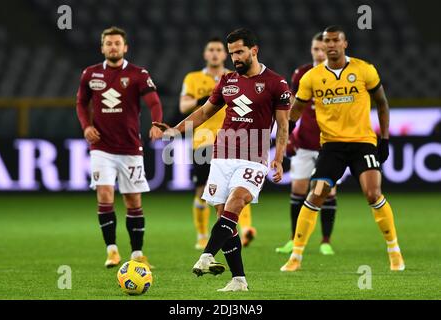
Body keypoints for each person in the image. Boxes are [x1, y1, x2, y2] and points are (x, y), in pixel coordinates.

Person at [154, 28, 291, 291]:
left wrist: (279, 157)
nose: (235, 58)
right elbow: (204, 112)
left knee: (236, 202)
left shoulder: (276, 83)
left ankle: (206, 255)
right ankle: (239, 279)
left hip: (254, 158)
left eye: (239, 51)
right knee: (224, 218)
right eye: (232, 53)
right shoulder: (227, 81)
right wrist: (174, 130)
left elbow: (283, 125)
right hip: (221, 155)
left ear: (254, 50)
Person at [281, 25, 405, 272]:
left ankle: (394, 251)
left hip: (363, 144)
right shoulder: (312, 77)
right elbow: (295, 111)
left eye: (336, 41)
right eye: (327, 41)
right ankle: (295, 256)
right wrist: (282, 137)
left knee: (372, 194)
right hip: (331, 147)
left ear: (345, 44)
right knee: (316, 194)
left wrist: (385, 139)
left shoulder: (364, 69)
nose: (331, 45)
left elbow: (382, 103)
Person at [76, 26, 163, 268]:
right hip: (101, 147)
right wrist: (86, 127)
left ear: (125, 47)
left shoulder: (137, 74)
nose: (113, 47)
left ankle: (137, 254)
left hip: (130, 147)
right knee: (104, 194)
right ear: (102, 47)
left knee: (133, 201)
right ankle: (112, 250)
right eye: (109, 43)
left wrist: (157, 124)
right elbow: (81, 103)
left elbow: (154, 102)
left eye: (117, 43)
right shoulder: (90, 74)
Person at [180, 37, 257, 250]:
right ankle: (202, 234)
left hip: (231, 141)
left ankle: (246, 228)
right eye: (210, 50)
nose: (214, 53)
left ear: (225, 55)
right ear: (205, 54)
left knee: (238, 186)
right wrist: (205, 99)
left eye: (218, 50)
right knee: (202, 190)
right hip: (202, 142)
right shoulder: (193, 78)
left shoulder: (234, 78)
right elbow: (183, 105)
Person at [276, 32, 337, 256]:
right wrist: (287, 135)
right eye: (316, 49)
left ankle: (325, 241)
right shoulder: (301, 73)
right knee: (298, 190)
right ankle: (294, 239)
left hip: (329, 145)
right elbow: (292, 106)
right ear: (311, 50)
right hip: (304, 144)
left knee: (326, 192)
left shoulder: (335, 75)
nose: (320, 53)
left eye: (323, 49)